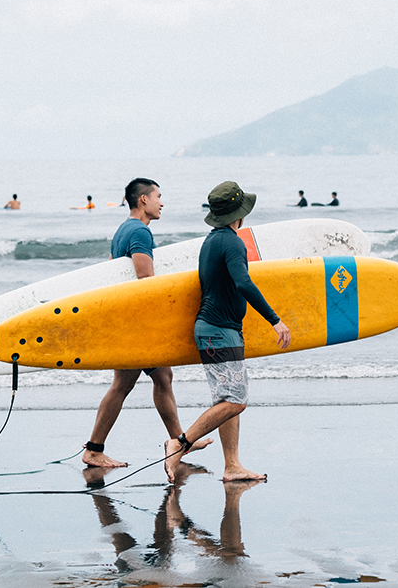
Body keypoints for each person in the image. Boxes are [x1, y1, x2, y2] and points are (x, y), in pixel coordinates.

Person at [164, 181, 291, 483]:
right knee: (236, 401)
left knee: (226, 400)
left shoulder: (212, 241)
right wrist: (275, 320)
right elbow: (243, 282)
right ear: (240, 214)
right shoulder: (233, 242)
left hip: (218, 330)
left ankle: (232, 465)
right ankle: (179, 444)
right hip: (219, 331)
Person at [83, 178, 212, 468]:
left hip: (127, 320)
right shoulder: (140, 232)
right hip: (136, 325)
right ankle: (94, 450)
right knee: (129, 383)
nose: (161, 202)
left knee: (159, 377)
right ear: (143, 200)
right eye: (158, 196)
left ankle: (178, 443)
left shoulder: (123, 230)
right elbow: (145, 282)